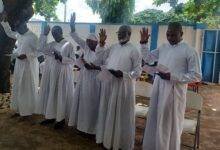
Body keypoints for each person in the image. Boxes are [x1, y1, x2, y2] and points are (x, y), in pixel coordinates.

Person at [141, 22, 202, 150]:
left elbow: (196, 76)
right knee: (155, 119)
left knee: (169, 123)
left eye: (173, 35)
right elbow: (148, 58)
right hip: (158, 87)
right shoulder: (163, 47)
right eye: (168, 34)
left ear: (181, 34)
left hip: (174, 92)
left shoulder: (189, 51)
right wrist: (144, 43)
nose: (170, 38)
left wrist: (172, 76)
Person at [95, 25, 142, 150]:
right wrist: (101, 43)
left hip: (123, 86)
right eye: (118, 33)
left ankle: (120, 143)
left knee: (121, 114)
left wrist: (124, 74)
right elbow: (99, 58)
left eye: (122, 33)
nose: (120, 35)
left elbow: (138, 71)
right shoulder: (113, 47)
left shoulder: (134, 50)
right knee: (107, 110)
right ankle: (106, 140)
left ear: (129, 34)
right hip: (109, 84)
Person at [68, 13, 107, 135]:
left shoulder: (104, 50)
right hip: (84, 80)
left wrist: (95, 67)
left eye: (91, 42)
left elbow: (107, 66)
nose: (88, 44)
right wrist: (72, 26)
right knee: (83, 103)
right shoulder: (86, 48)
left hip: (96, 82)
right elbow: (76, 38)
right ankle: (82, 127)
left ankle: (92, 130)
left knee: (93, 105)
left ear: (96, 42)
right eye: (87, 42)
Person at [37, 25, 75, 129]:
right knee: (52, 94)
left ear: (61, 32)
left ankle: (60, 119)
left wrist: (61, 58)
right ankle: (50, 116)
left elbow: (73, 61)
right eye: (52, 34)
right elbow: (40, 48)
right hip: (52, 74)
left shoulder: (68, 45)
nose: (54, 36)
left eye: (56, 34)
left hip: (62, 74)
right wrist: (44, 34)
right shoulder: (52, 44)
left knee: (60, 95)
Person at [1, 20, 39, 117]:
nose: (17, 31)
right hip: (19, 65)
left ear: (24, 26)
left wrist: (26, 56)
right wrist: (4, 22)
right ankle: (19, 110)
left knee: (26, 88)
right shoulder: (19, 34)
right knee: (18, 86)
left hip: (28, 66)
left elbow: (38, 52)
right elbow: (9, 33)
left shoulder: (33, 37)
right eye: (17, 29)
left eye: (19, 29)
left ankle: (27, 112)